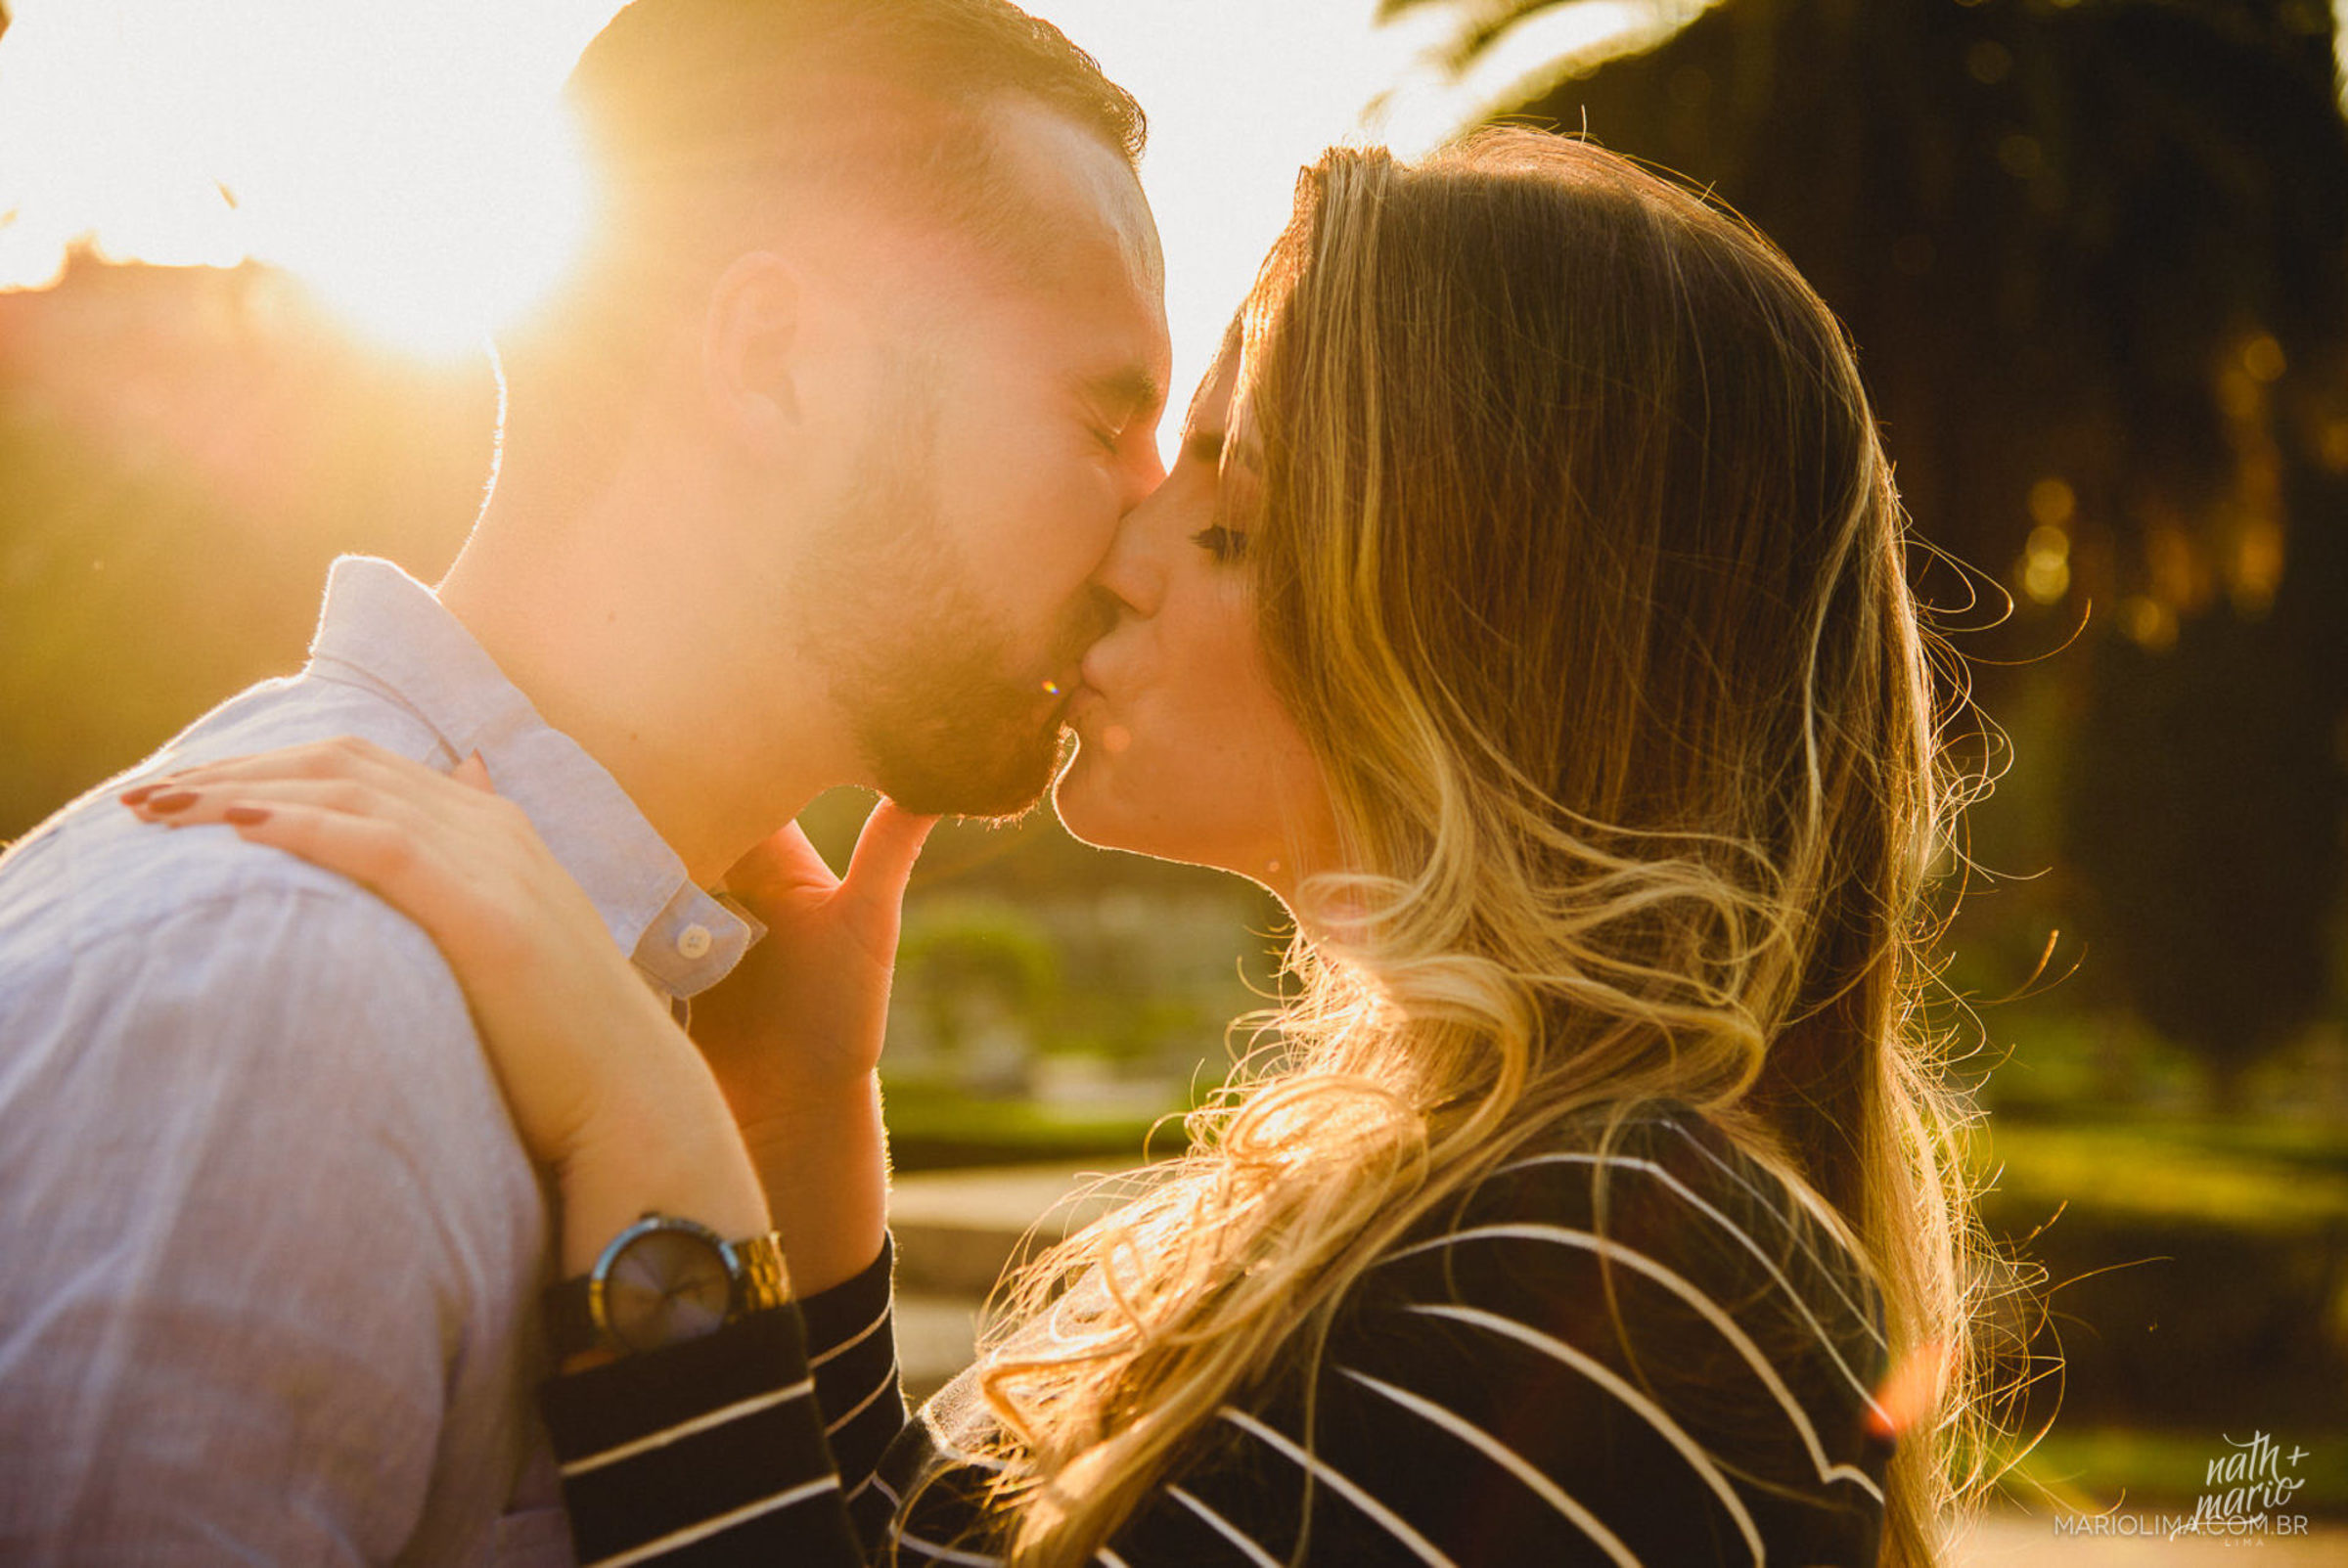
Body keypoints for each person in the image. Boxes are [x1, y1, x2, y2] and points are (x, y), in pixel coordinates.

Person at [123, 131, 1993, 1566]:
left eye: (1239, 525)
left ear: (1497, 643)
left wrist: (654, 1162)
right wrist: (802, 1139)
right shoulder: (1541, 1206)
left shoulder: (1619, 1290)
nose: (1125, 548)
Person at [0, 2, 1167, 1559]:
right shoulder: (289, 998)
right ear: (778, 364)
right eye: (1108, 417)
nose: (1148, 543)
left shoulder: (599, 1002)